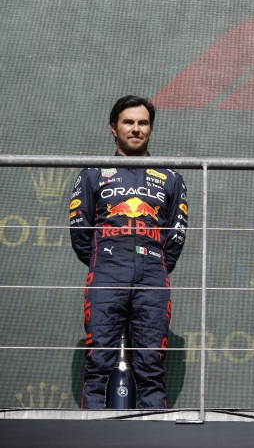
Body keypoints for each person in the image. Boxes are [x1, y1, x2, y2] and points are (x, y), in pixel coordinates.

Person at [70, 96, 188, 408]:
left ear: (150, 128)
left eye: (142, 123)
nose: (135, 129)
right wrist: (106, 258)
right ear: (114, 128)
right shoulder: (93, 173)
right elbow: (80, 231)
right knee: (98, 365)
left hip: (153, 274)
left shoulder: (172, 177)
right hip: (107, 271)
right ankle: (92, 436)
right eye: (128, 122)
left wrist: (154, 263)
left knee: (151, 367)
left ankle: (154, 436)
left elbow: (176, 235)